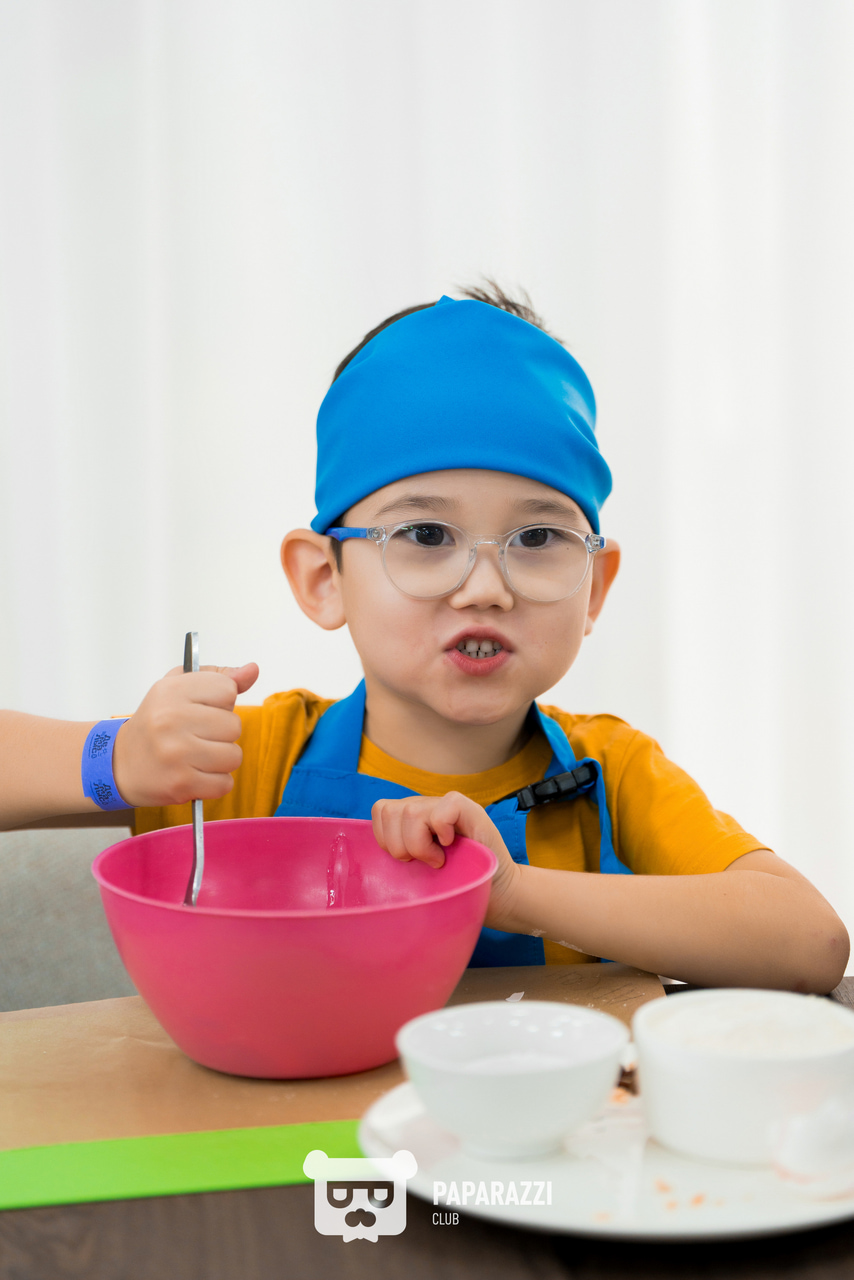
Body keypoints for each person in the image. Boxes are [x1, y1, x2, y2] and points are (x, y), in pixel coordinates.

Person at [1, 285, 847, 991]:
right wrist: (116, 758)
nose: (486, 586)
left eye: (538, 538)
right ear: (323, 578)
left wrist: (514, 891)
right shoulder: (246, 762)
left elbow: (808, 943)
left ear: (595, 585)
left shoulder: (613, 776)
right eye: (426, 536)